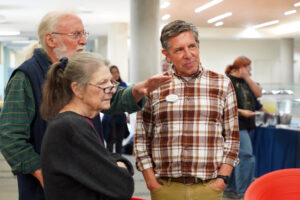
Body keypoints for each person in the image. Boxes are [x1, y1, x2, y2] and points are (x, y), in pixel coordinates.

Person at [0, 11, 171, 200]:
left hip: (87, 181)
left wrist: (136, 91)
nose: (83, 41)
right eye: (76, 35)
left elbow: (106, 98)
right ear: (51, 40)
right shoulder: (26, 77)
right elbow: (10, 138)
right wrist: (43, 173)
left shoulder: (74, 71)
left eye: (84, 34)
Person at [134, 20, 240, 200]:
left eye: (192, 46)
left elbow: (232, 136)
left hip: (209, 187)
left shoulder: (222, 83)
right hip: (165, 187)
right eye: (179, 49)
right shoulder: (155, 86)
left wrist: (222, 178)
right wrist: (151, 181)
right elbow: (142, 137)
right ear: (166, 54)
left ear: (198, 46)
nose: (188, 55)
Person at [40, 52, 132, 199]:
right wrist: (119, 166)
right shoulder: (70, 127)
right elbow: (122, 185)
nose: (112, 90)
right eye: (103, 84)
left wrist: (117, 164)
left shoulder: (77, 122)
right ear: (77, 89)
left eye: (111, 82)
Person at [224, 56, 262, 199]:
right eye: (248, 68)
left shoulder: (247, 82)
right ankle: (244, 191)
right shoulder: (227, 81)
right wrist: (241, 111)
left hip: (247, 125)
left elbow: (258, 93)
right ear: (240, 67)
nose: (250, 71)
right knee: (246, 157)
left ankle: (232, 188)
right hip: (234, 124)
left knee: (237, 158)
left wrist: (247, 77)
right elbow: (223, 104)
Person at [102, 65, 130, 153]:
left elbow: (128, 100)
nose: (115, 74)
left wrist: (128, 114)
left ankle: (119, 160)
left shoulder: (123, 84)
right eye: (113, 72)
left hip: (121, 115)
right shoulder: (107, 85)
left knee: (119, 139)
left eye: (117, 72)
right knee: (111, 138)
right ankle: (110, 161)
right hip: (110, 116)